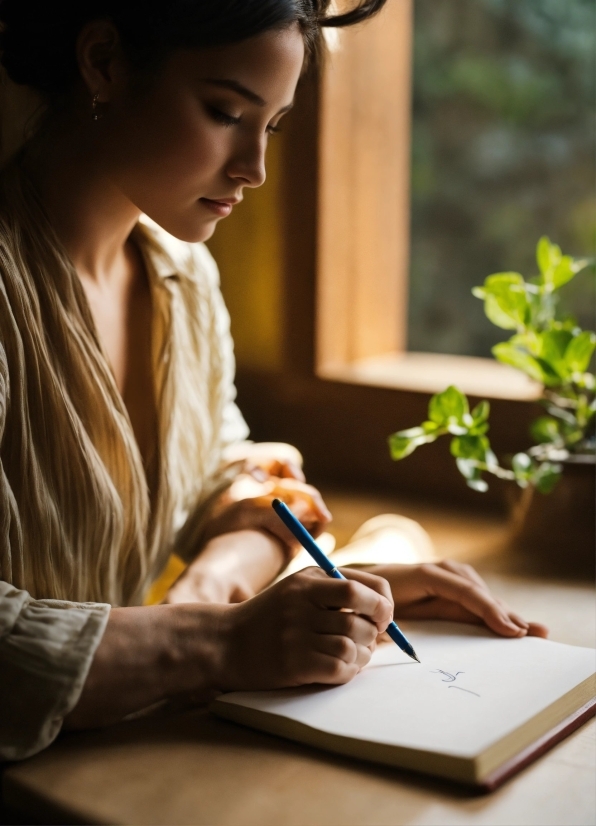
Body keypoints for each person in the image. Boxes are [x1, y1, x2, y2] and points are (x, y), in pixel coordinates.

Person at [0, 0, 547, 761]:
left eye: (274, 126)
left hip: (130, 758)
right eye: (226, 111)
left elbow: (225, 475)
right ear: (104, 63)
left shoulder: (181, 277)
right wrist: (213, 642)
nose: (254, 168)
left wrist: (238, 597)